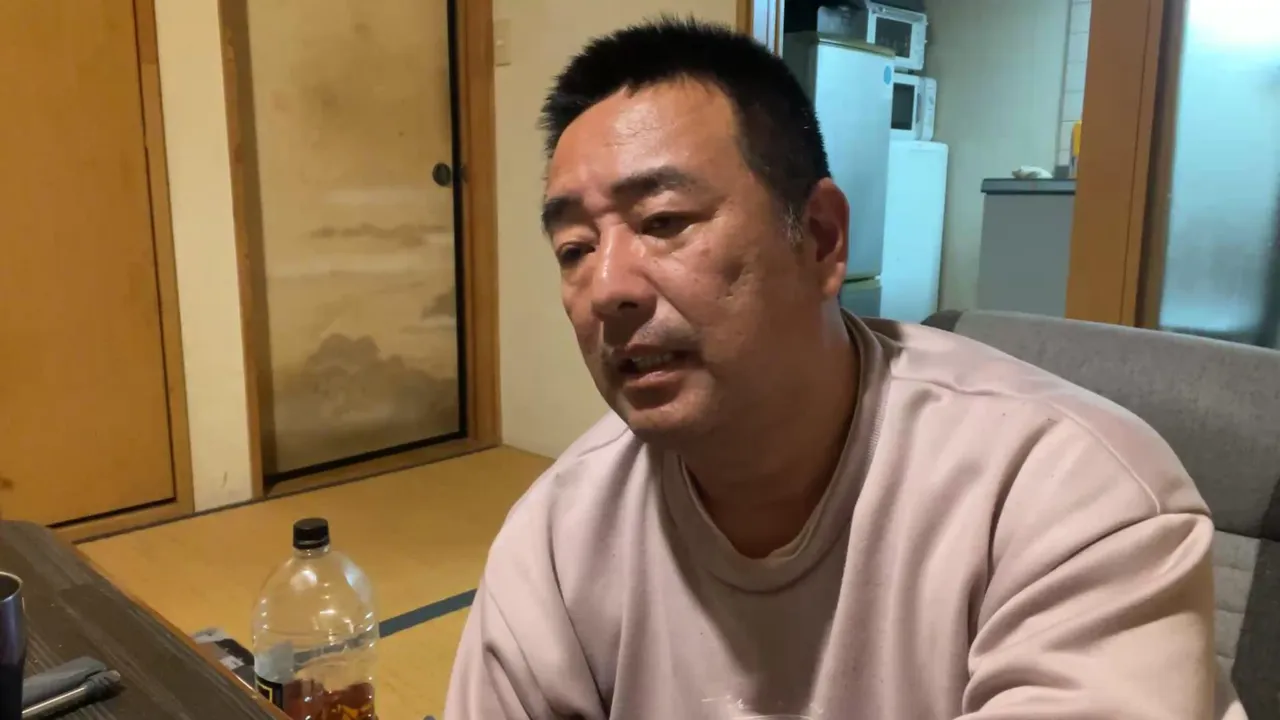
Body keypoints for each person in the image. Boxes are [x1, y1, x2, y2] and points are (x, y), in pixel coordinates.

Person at [444, 18, 1217, 720]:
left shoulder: (1065, 494)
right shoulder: (559, 535)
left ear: (819, 238)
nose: (606, 288)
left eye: (664, 221)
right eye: (575, 249)